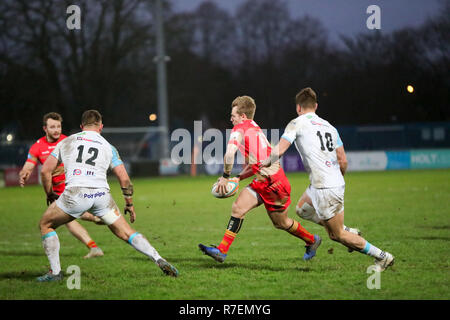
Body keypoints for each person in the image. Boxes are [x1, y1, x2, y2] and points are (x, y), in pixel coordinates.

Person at [262, 87, 394, 272]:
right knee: (302, 209)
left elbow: (280, 149)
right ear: (315, 106)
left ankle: (382, 256)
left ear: (298, 107)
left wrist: (264, 163)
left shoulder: (296, 123)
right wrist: (337, 178)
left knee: (336, 235)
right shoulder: (329, 126)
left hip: (324, 186)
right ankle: (348, 230)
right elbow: (343, 160)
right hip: (328, 182)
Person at [36, 110, 178, 281]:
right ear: (101, 127)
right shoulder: (108, 146)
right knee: (126, 232)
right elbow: (124, 179)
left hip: (76, 194)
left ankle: (55, 272)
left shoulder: (66, 142)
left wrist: (49, 193)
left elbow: (45, 171)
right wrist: (129, 204)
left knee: (46, 224)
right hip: (102, 197)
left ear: (82, 126)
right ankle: (158, 258)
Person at [199, 96, 321, 263]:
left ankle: (312, 240)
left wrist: (226, 177)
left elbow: (228, 155)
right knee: (238, 208)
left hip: (274, 185)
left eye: (233, 115)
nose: (231, 118)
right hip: (264, 180)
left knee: (281, 223)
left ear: (243, 116)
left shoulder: (239, 129)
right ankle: (222, 251)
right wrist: (238, 177)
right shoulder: (255, 128)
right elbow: (257, 164)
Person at [19, 112, 104, 259]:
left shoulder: (69, 141)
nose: (56, 130)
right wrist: (24, 173)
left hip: (74, 186)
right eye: (52, 127)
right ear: (45, 128)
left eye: (58, 126)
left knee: (61, 219)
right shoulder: (37, 147)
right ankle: (95, 244)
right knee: (69, 221)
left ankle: (99, 223)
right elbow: (29, 164)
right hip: (57, 193)